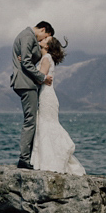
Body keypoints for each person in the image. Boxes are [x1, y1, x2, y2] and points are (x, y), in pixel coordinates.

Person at [30, 36, 86, 175]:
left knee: (46, 124)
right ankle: (49, 158)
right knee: (47, 123)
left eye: (45, 40)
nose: (42, 40)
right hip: (48, 94)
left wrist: (29, 73)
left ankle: (48, 159)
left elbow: (39, 78)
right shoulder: (47, 58)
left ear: (47, 46)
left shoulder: (46, 58)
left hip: (46, 96)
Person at [10, 21, 54, 169]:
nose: (42, 40)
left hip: (25, 81)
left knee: (30, 120)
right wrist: (42, 77)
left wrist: (26, 59)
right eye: (45, 36)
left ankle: (27, 157)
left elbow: (26, 60)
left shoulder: (27, 36)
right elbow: (26, 63)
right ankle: (24, 159)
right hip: (25, 83)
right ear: (42, 29)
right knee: (30, 121)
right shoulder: (28, 36)